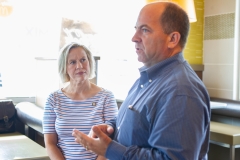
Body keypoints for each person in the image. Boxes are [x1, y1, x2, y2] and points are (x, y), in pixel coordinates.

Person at [72, 2, 211, 160]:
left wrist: (111, 149)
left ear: (172, 39)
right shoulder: (148, 78)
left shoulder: (181, 91)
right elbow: (136, 122)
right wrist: (111, 128)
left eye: (145, 30)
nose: (134, 38)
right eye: (136, 29)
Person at [42, 42, 118, 160]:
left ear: (89, 62)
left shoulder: (106, 97)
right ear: (65, 68)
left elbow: (111, 141)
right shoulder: (53, 99)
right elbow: (50, 143)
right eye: (72, 62)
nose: (79, 66)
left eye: (83, 60)